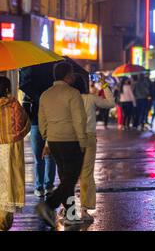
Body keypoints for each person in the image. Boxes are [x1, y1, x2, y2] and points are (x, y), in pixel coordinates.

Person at [36, 62, 88, 228]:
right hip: (71, 140)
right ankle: (49, 205)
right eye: (72, 73)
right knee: (69, 179)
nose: (73, 76)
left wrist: (47, 137)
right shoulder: (73, 93)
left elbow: (42, 121)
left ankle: (71, 215)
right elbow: (79, 120)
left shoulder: (45, 95)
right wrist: (83, 141)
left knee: (66, 179)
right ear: (67, 75)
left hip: (54, 141)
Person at [72, 74, 115, 222]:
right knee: (87, 173)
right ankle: (84, 210)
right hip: (89, 138)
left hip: (70, 138)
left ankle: (69, 210)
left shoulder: (69, 99)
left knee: (68, 175)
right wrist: (104, 85)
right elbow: (111, 103)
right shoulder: (90, 98)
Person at [0, 77, 31, 231]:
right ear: (7, 89)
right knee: (8, 186)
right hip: (10, 150)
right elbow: (24, 125)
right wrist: (14, 137)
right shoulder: (13, 105)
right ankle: (3, 222)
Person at [22, 94, 56, 198]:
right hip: (51, 124)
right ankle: (48, 187)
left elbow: (25, 110)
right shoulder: (51, 91)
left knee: (38, 158)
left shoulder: (30, 91)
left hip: (36, 125)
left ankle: (39, 187)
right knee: (50, 157)